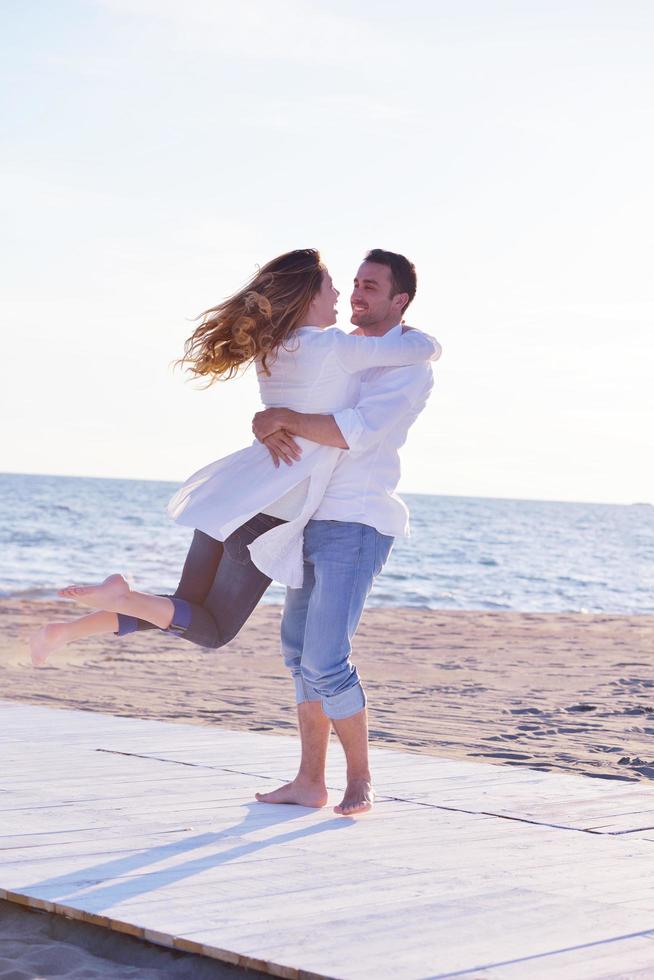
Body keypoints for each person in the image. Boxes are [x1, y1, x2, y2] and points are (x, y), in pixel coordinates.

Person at [29, 247, 441, 732]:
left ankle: (65, 631)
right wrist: (426, 339)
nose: (342, 295)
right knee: (214, 630)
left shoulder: (273, 348)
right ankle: (120, 594)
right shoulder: (334, 347)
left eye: (359, 286)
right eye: (335, 285)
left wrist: (276, 418)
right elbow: (417, 351)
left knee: (180, 609)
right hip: (274, 505)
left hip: (231, 494)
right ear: (308, 295)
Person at [249, 249, 438, 816]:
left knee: (327, 657)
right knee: (297, 652)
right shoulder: (340, 349)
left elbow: (354, 430)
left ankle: (361, 779)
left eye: (371, 287)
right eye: (354, 283)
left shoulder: (408, 365)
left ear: (399, 300)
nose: (357, 295)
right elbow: (301, 406)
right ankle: (310, 780)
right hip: (308, 513)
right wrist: (267, 419)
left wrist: (283, 417)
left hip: (356, 520)